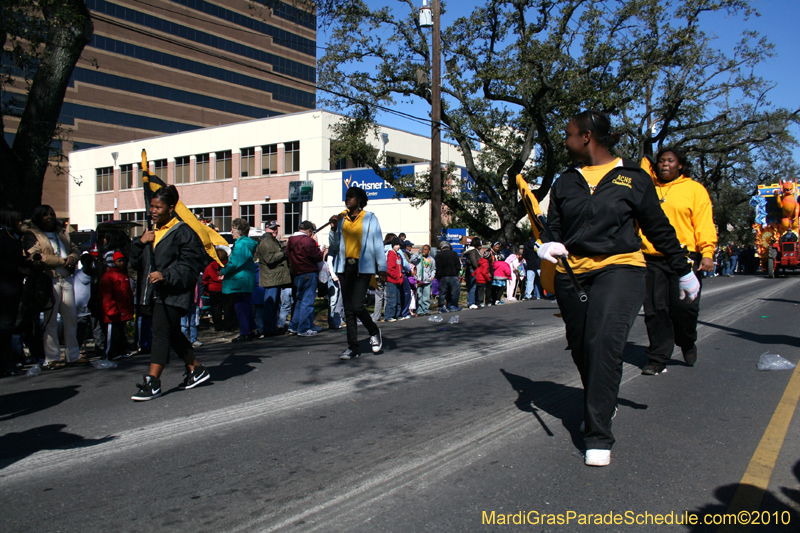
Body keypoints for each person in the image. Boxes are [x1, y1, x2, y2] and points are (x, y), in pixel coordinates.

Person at [541, 110, 697, 466]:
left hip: (621, 268)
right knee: (582, 348)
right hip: (573, 273)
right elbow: (553, 227)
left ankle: (597, 433)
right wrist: (546, 247)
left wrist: (682, 270)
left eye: (568, 134)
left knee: (604, 342)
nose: (564, 141)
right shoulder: (564, 181)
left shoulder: (634, 178)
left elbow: (658, 229)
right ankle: (604, 401)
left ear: (587, 137)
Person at [128, 185, 210, 400]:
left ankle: (153, 382)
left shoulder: (183, 232)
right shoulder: (150, 232)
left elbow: (191, 265)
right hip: (152, 293)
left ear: (171, 208)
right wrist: (139, 243)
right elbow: (134, 262)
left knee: (160, 332)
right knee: (171, 333)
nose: (153, 211)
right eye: (151, 206)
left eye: (159, 207)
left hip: (173, 293)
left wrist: (166, 275)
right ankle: (197, 369)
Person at [640, 146, 716, 375]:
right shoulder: (646, 190)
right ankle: (657, 358)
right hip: (652, 259)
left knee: (684, 308)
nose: (665, 164)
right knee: (655, 311)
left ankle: (687, 341)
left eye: (670, 161)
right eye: (661, 161)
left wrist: (708, 253)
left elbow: (704, 224)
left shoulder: (694, 189)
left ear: (680, 165)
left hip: (684, 259)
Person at [23, 204, 86, 368]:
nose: (49, 217)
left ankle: (72, 355)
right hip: (49, 279)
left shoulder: (61, 232)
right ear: (39, 217)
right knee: (50, 320)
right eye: (45, 215)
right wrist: (62, 261)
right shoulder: (33, 234)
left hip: (67, 278)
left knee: (71, 318)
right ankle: (52, 357)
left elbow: (74, 248)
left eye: (51, 214)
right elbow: (36, 256)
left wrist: (73, 257)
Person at [328, 186, 386, 359]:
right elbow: (334, 245)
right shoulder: (342, 218)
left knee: (357, 306)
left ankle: (374, 331)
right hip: (345, 267)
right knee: (348, 310)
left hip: (363, 267)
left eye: (352, 196)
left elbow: (378, 243)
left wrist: (382, 267)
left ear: (359, 199)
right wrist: (333, 229)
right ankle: (352, 347)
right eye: (346, 196)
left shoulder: (369, 218)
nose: (348, 199)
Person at [220, 218, 257, 342]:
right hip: (245, 278)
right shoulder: (246, 243)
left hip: (240, 280)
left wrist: (223, 271)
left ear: (240, 231)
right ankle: (252, 330)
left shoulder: (241, 245)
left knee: (241, 307)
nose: (231, 231)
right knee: (246, 305)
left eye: (233, 229)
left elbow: (235, 262)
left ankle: (245, 332)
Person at [286, 220, 324, 337]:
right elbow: (317, 256)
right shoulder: (307, 241)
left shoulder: (290, 241)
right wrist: (318, 247)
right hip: (308, 272)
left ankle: (294, 325)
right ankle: (303, 328)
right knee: (307, 301)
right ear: (308, 230)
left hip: (297, 273)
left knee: (299, 301)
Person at [254, 221, 293, 336]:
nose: (275, 230)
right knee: (270, 305)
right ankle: (269, 329)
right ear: (266, 228)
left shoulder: (272, 241)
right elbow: (270, 259)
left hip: (275, 277)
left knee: (274, 305)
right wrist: (283, 252)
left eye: (276, 228)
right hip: (271, 278)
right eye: (272, 228)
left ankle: (272, 327)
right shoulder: (266, 242)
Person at [0, 208, 26, 376]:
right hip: (5, 287)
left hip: (14, 285)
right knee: (5, 325)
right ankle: (6, 363)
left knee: (10, 324)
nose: (20, 223)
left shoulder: (15, 237)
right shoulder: (3, 237)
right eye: (16, 220)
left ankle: (9, 360)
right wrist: (18, 268)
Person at [100, 250, 135, 359]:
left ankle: (121, 350)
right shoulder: (108, 277)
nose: (122, 263)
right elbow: (107, 296)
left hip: (122, 311)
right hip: (113, 312)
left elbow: (128, 294)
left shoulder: (123, 275)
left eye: (122, 260)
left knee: (120, 332)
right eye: (119, 261)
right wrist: (111, 311)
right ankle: (109, 353)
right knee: (112, 334)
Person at [203, 247, 235, 332]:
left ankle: (218, 326)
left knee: (216, 308)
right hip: (227, 288)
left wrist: (207, 288)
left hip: (214, 289)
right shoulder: (229, 265)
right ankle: (228, 326)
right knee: (228, 307)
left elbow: (205, 278)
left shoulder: (210, 266)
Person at [435, 241, 462, 312]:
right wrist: (456, 272)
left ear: (441, 247)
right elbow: (458, 266)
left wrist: (438, 275)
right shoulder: (454, 254)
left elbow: (436, 266)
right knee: (455, 292)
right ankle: (453, 306)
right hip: (453, 275)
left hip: (443, 276)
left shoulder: (438, 255)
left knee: (442, 292)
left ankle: (441, 307)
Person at [410, 244, 436, 316]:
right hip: (418, 280)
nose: (424, 251)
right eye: (423, 249)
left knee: (426, 296)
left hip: (427, 281)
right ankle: (419, 310)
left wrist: (432, 276)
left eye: (425, 249)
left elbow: (433, 269)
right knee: (419, 296)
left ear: (429, 251)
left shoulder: (431, 260)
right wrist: (418, 252)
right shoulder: (418, 258)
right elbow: (411, 260)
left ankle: (426, 309)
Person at [384, 237, 404, 322]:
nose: (398, 246)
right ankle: (389, 316)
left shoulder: (398, 256)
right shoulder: (391, 254)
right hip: (392, 281)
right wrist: (396, 276)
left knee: (398, 299)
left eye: (399, 245)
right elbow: (390, 269)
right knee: (392, 299)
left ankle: (397, 314)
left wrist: (401, 277)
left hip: (398, 281)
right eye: (396, 245)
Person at [463, 238, 482, 308]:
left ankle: (470, 301)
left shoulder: (471, 251)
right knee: (473, 286)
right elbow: (474, 261)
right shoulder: (473, 251)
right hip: (473, 269)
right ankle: (472, 302)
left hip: (470, 269)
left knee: (471, 286)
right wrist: (478, 268)